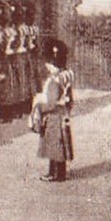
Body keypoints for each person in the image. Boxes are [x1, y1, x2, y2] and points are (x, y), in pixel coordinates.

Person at [31, 37, 74, 182]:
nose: (47, 67)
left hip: (53, 115)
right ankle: (59, 172)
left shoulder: (54, 80)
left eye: (48, 64)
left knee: (54, 145)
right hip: (62, 114)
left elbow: (51, 102)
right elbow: (69, 98)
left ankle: (55, 174)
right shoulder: (66, 75)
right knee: (59, 145)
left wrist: (39, 107)